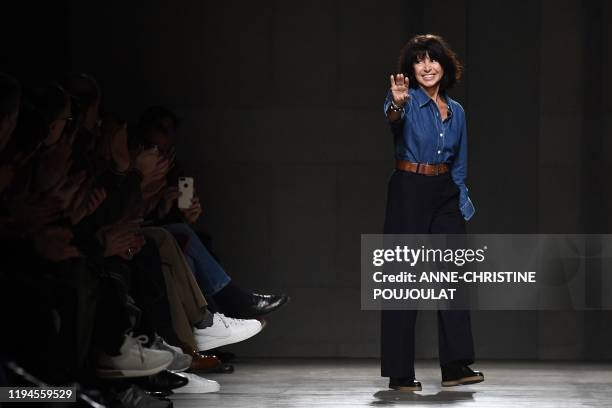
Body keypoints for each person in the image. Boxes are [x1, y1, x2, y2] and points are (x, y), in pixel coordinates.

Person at [381, 34, 484, 391]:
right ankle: (398, 372)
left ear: (445, 65)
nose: (427, 66)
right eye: (419, 61)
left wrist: (459, 200)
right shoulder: (404, 101)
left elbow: (461, 164)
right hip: (409, 188)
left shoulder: (458, 113)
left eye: (433, 59)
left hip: (445, 193)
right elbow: (393, 117)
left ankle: (455, 366)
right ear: (410, 69)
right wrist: (395, 104)